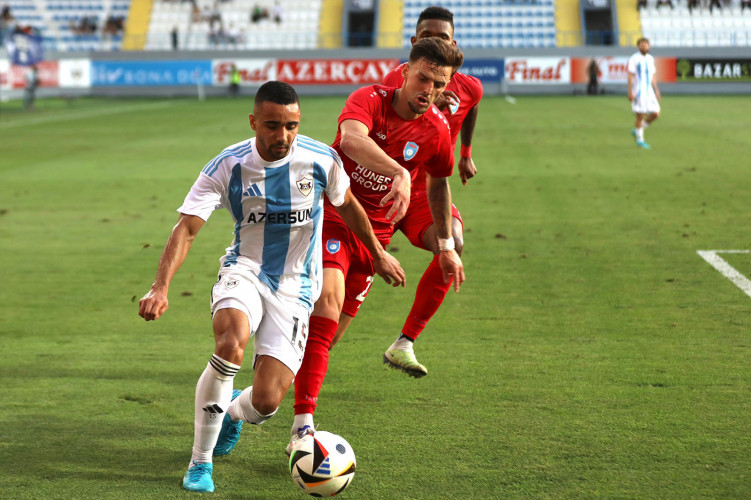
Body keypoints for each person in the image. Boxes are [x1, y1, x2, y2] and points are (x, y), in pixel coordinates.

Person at [138, 81, 405, 493]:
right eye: (272, 126)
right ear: (253, 122)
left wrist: (378, 253)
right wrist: (160, 287)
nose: (283, 136)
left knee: (265, 403)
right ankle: (200, 462)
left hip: (296, 286)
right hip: (245, 269)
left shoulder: (320, 159)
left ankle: (231, 414)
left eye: (292, 126)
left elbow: (348, 205)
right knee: (230, 343)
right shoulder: (227, 165)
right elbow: (187, 229)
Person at [277, 37, 466, 453]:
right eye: (423, 78)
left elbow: (438, 184)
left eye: (439, 84)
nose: (429, 91)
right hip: (332, 215)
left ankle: (249, 404)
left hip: (374, 237)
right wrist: (398, 170)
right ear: (405, 70)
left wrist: (448, 245)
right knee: (328, 300)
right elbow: (350, 140)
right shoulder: (370, 98)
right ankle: (302, 427)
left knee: (324, 341)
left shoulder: (436, 129)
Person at [371, 5, 482, 378]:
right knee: (345, 289)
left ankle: (404, 343)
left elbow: (472, 108)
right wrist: (431, 103)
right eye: (429, 37)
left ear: (454, 43)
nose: (437, 43)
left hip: (425, 194)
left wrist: (465, 154)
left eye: (444, 38)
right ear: (415, 42)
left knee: (453, 242)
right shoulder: (393, 81)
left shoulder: (469, 88)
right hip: (382, 192)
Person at [627, 37, 661, 150]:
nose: (644, 46)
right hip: (639, 91)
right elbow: (630, 76)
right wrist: (630, 91)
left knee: (656, 113)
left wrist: (656, 90)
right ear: (638, 46)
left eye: (646, 45)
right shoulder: (634, 58)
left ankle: (637, 130)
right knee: (640, 115)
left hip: (649, 91)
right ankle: (640, 140)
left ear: (649, 46)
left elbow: (652, 76)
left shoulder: (650, 59)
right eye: (642, 45)